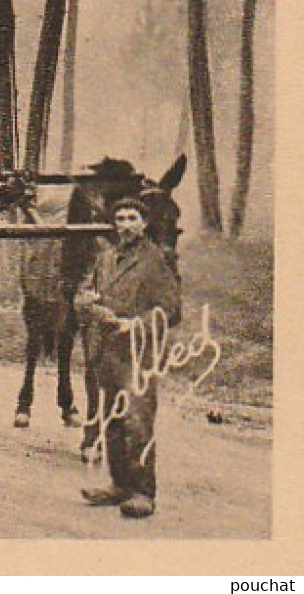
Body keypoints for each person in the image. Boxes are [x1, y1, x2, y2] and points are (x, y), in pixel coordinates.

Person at [75, 196, 181, 519]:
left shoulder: (156, 260)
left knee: (138, 420)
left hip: (139, 353)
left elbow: (171, 310)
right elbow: (83, 294)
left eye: (131, 218)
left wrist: (135, 324)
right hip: (107, 350)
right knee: (113, 419)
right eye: (119, 219)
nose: (124, 225)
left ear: (144, 223)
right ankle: (119, 484)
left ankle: (143, 492)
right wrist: (87, 304)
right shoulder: (105, 258)